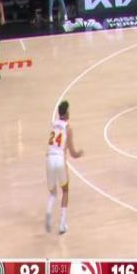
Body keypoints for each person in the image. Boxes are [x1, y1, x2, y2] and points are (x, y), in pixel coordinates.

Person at [45, 100, 83, 234]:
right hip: (59, 160)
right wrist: (79, 153)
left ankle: (48, 213)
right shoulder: (68, 128)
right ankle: (62, 225)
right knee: (65, 191)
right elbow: (72, 153)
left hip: (49, 158)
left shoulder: (53, 124)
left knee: (52, 192)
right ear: (66, 113)